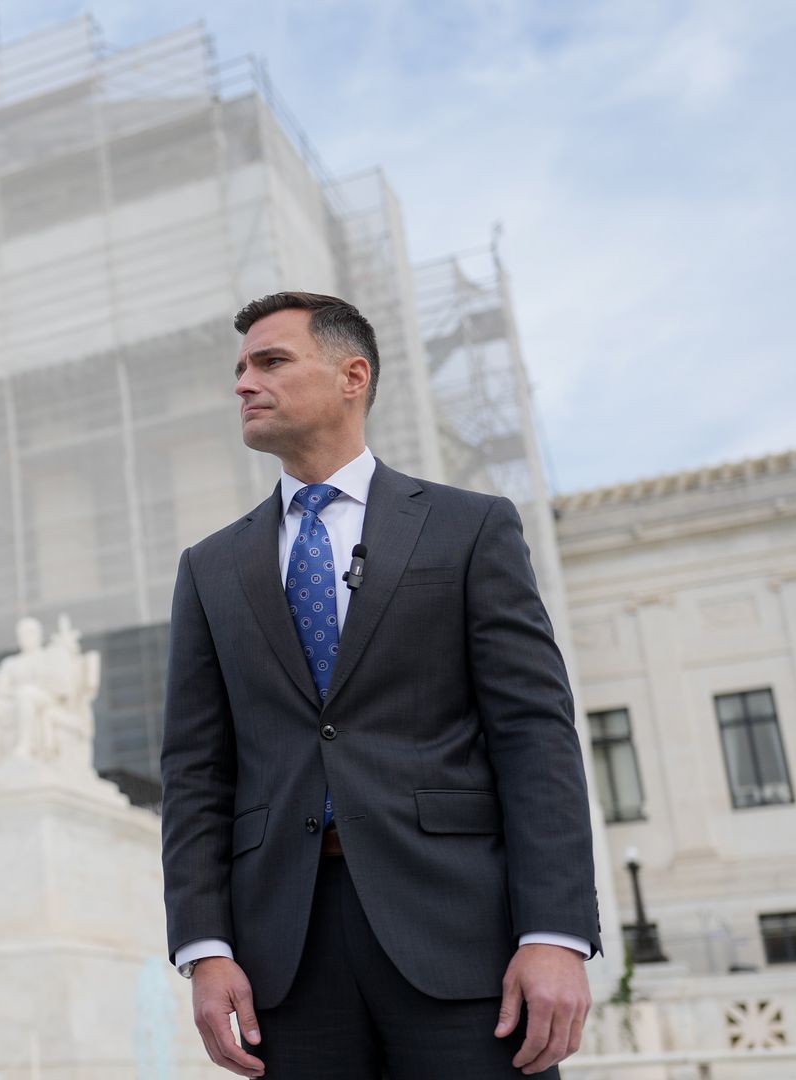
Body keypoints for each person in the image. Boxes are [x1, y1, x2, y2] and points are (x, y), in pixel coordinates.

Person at [158, 292, 600, 1078]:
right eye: (239, 369)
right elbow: (195, 770)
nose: (243, 384)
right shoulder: (210, 567)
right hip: (281, 960)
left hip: (463, 938)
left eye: (270, 362)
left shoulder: (471, 527)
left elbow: (534, 735)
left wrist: (554, 934)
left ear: (351, 375)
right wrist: (204, 949)